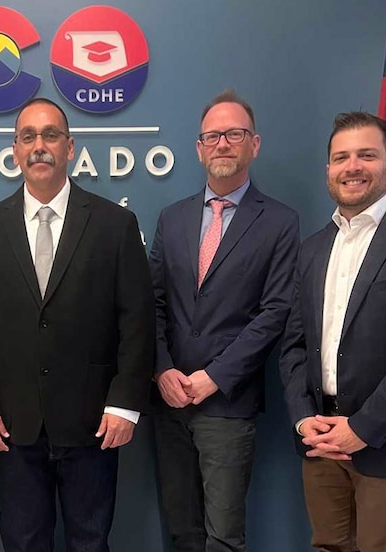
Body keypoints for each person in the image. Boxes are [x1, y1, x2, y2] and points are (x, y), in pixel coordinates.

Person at [0, 97, 155, 552]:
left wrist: (125, 404)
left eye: (50, 135)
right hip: (13, 427)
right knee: (23, 542)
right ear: (15, 150)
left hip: (94, 424)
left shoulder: (115, 224)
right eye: (28, 137)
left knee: (90, 540)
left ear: (70, 146)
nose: (39, 146)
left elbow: (137, 323)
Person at [279, 111, 386, 551]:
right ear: (329, 171)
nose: (352, 166)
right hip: (319, 438)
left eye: (366, 155)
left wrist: (363, 427)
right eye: (341, 158)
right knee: (329, 546)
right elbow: (296, 344)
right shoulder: (312, 248)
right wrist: (304, 420)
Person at [149, 90, 299, 552]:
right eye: (212, 136)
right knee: (182, 532)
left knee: (224, 538)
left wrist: (215, 377)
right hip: (170, 401)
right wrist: (161, 368)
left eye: (234, 134)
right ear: (199, 148)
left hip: (227, 405)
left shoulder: (279, 221)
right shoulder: (171, 219)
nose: (223, 144)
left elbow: (274, 312)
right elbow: (151, 302)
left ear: (254, 143)